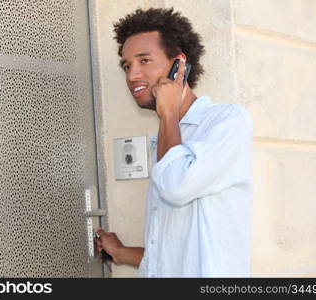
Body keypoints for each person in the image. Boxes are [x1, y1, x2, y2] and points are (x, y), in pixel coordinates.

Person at [96, 7, 253, 277]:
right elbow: (171, 252)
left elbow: (175, 187)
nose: (132, 75)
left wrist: (168, 112)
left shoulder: (227, 122)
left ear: (178, 65)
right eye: (127, 65)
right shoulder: (166, 140)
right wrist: (122, 253)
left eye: (144, 60)